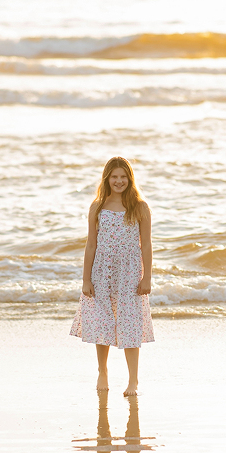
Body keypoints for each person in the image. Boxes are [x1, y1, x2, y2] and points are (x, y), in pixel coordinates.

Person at [70, 157, 154, 395]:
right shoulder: (97, 206)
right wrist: (86, 279)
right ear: (107, 178)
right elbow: (90, 244)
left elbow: (146, 245)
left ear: (130, 178)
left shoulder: (140, 207)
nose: (119, 181)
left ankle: (133, 380)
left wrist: (147, 276)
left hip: (129, 271)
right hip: (102, 270)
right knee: (102, 321)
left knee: (130, 322)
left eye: (123, 177)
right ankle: (103, 371)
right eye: (114, 177)